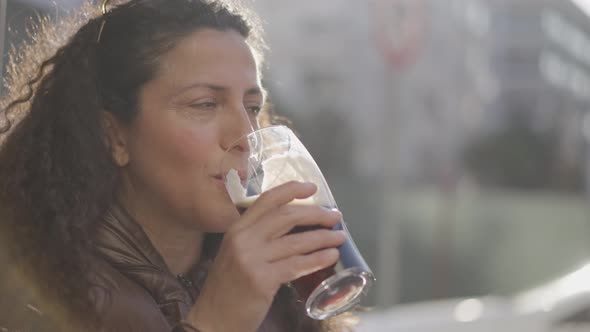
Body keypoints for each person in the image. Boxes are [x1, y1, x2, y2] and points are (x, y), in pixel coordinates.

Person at [0, 0, 358, 331]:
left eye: (251, 107)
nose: (246, 136)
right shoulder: (37, 292)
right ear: (114, 137)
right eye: (204, 104)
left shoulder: (275, 292)